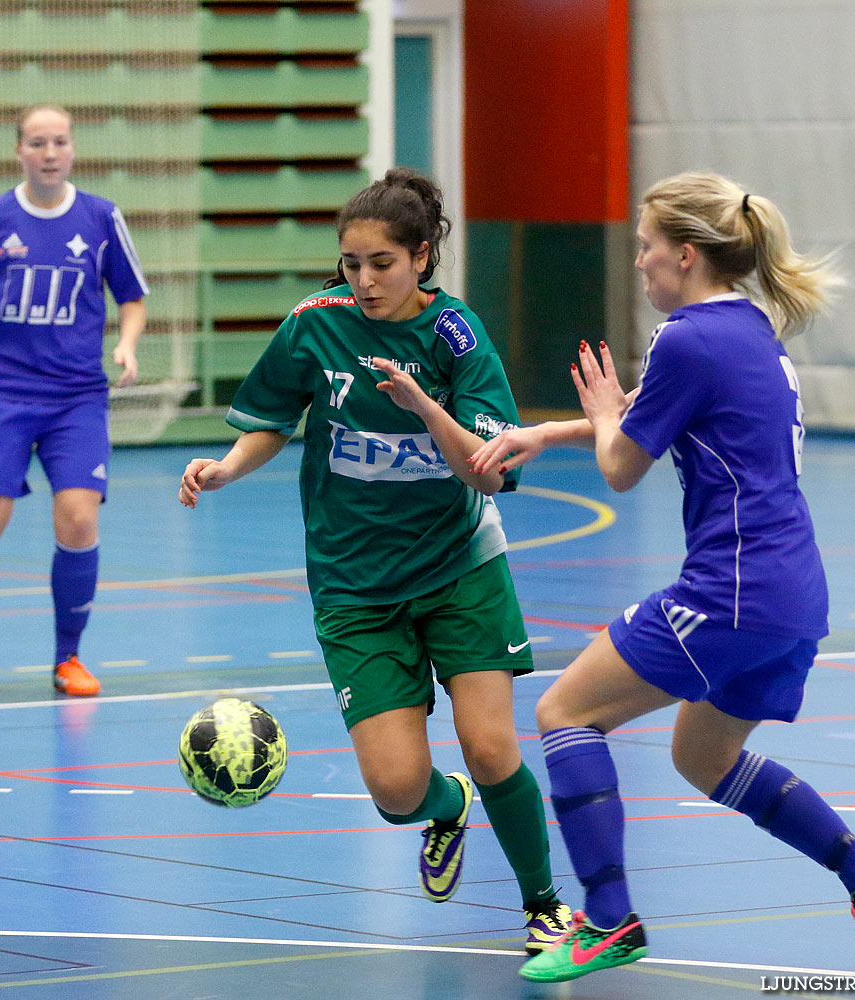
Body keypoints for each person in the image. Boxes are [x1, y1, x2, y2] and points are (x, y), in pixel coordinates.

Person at [469, 171, 855, 983]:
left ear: (684, 254)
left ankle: (609, 922)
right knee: (703, 757)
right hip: (792, 595)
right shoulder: (745, 327)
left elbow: (622, 463)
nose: (637, 264)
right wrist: (549, 432)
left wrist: (601, 417)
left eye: (644, 249)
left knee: (565, 712)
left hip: (731, 592)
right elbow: (648, 413)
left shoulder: (685, 337)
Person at [178, 167, 572, 955]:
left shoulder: (457, 338)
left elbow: (487, 471)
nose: (362, 280)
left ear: (422, 256)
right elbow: (272, 418)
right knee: (396, 794)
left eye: (381, 264)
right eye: (351, 263)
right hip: (354, 587)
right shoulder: (314, 324)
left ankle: (544, 906)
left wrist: (423, 407)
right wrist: (227, 466)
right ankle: (444, 807)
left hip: (459, 567)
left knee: (492, 748)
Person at [0, 103, 149, 696]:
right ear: (19, 150)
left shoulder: (101, 218)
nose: (50, 153)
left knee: (77, 519)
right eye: (38, 143)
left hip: (76, 395)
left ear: (73, 149)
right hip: (4, 388)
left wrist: (125, 345)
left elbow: (132, 297)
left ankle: (68, 658)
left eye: (61, 142)